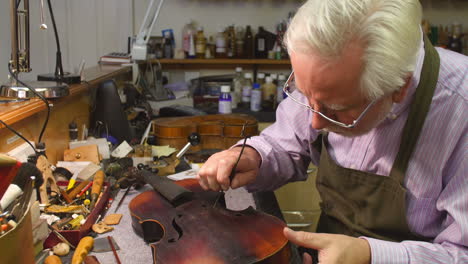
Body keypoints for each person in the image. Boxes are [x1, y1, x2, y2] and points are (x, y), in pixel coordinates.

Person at [197, 0, 467, 263]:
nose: (315, 123)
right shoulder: (327, 76)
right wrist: (255, 156)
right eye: (306, 96)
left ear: (399, 88)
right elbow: (286, 143)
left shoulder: (460, 110)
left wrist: (371, 256)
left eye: (334, 110)